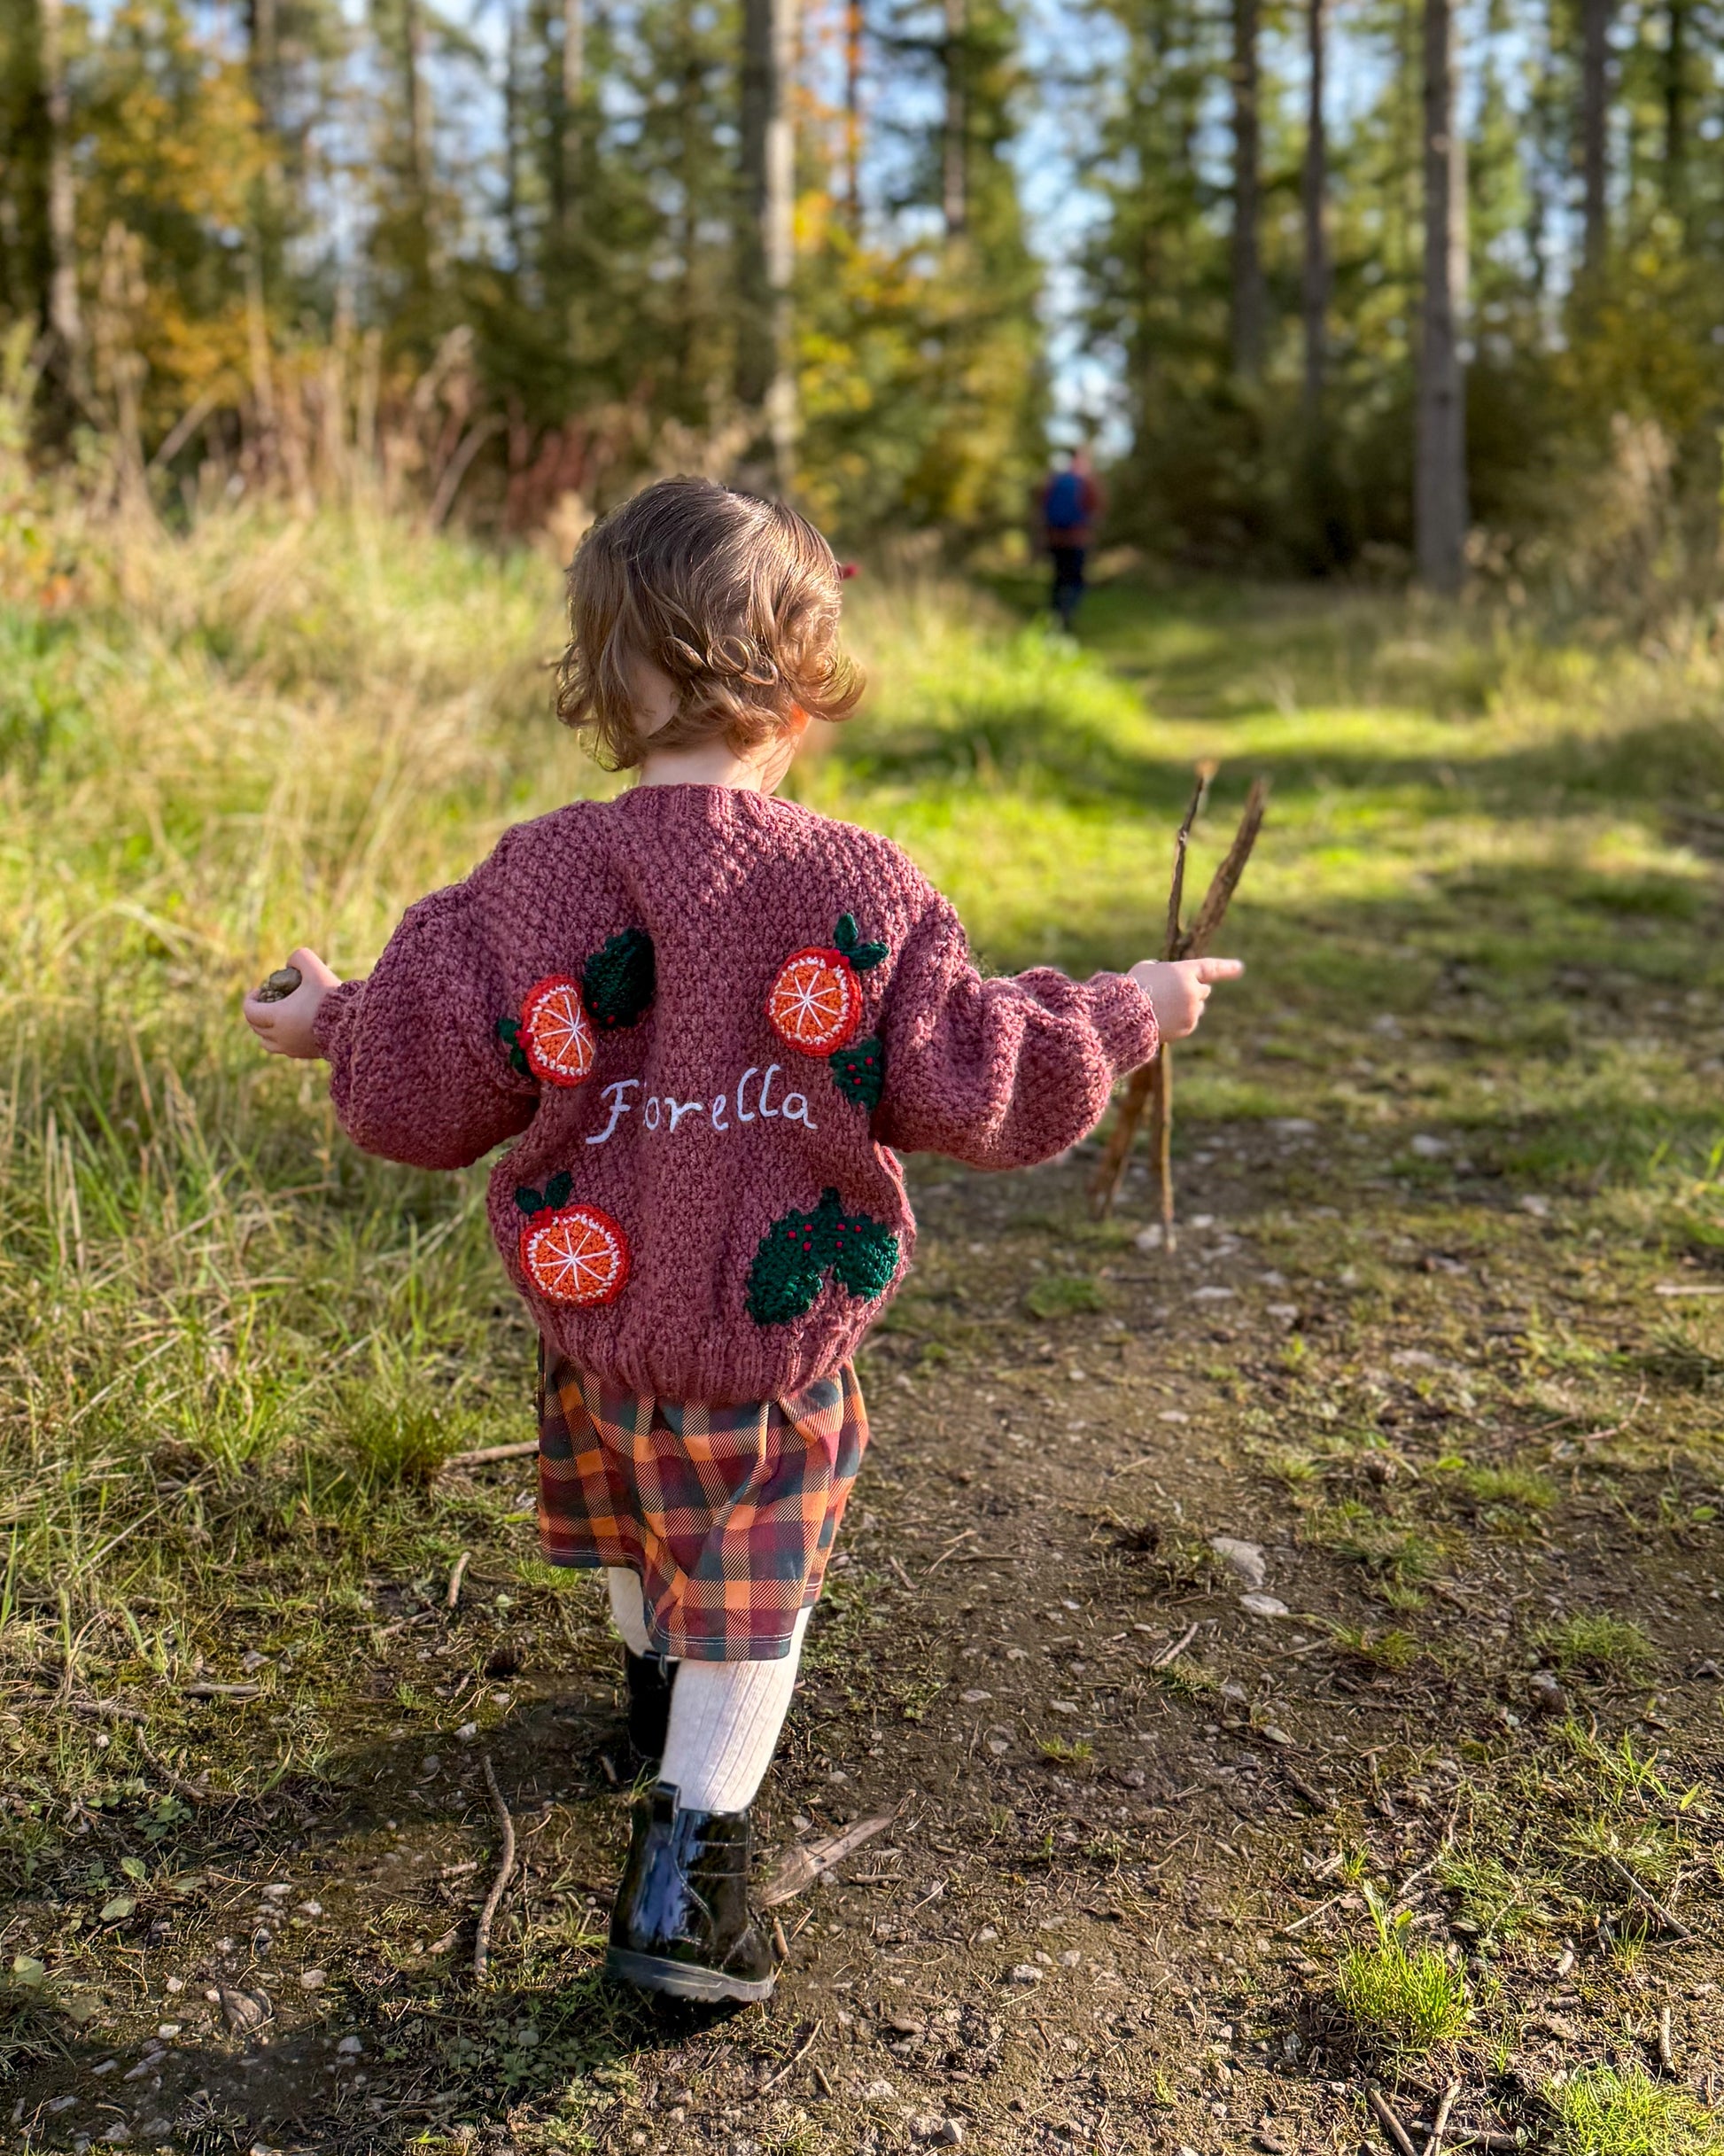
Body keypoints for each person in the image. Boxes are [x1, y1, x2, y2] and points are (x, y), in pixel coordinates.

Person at [242, 477, 1239, 2005]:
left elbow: (435, 1063)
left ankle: (650, 1694)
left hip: (601, 1313)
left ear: (607, 675)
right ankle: (688, 1876)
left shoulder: (535, 876)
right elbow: (982, 1075)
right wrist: (1129, 1010)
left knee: (641, 1517)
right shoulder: (860, 888)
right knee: (752, 1596)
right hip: (769, 1350)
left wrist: (331, 1022)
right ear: (800, 674)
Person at [1039, 445, 1103, 630]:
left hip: (1056, 538)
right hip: (1078, 538)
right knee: (1076, 579)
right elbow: (1096, 508)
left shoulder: (1055, 479)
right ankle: (1068, 612)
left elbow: (1042, 506)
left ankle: (1055, 615)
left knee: (1059, 577)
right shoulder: (1087, 481)